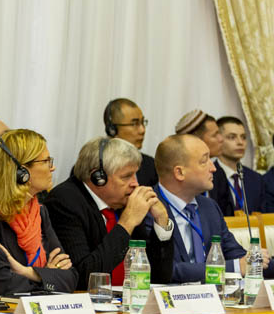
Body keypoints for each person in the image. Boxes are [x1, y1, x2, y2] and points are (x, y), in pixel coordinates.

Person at [44, 137, 175, 290]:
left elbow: (159, 277)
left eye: (135, 175)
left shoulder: (121, 203)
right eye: (126, 176)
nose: (136, 184)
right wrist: (127, 223)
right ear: (98, 178)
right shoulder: (65, 201)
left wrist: (162, 223)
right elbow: (85, 276)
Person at [0, 129, 77, 294]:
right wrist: (48, 276)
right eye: (46, 161)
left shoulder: (39, 212)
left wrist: (28, 272)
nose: (53, 167)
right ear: (22, 172)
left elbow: (71, 278)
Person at [152, 134, 269, 283]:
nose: (213, 168)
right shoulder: (150, 208)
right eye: (204, 161)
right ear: (180, 172)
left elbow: (236, 255)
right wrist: (234, 267)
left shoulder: (209, 206)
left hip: (215, 299)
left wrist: (255, 261)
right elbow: (166, 270)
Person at [208, 116, 262, 215]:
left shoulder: (256, 179)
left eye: (243, 137)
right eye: (232, 137)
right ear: (219, 140)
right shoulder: (209, 176)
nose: (240, 142)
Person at [104, 98, 157, 186]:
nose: (142, 130)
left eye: (143, 122)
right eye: (134, 124)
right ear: (112, 130)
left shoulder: (150, 165)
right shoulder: (95, 166)